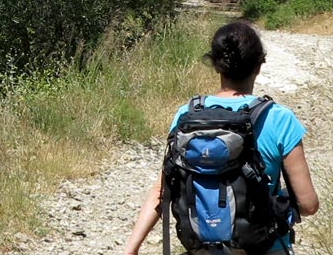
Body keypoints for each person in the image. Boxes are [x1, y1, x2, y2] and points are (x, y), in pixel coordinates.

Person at [119, 20, 319, 255]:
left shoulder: (187, 115)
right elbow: (308, 205)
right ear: (259, 65)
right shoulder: (279, 119)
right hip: (264, 247)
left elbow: (161, 192)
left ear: (216, 65)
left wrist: (131, 248)